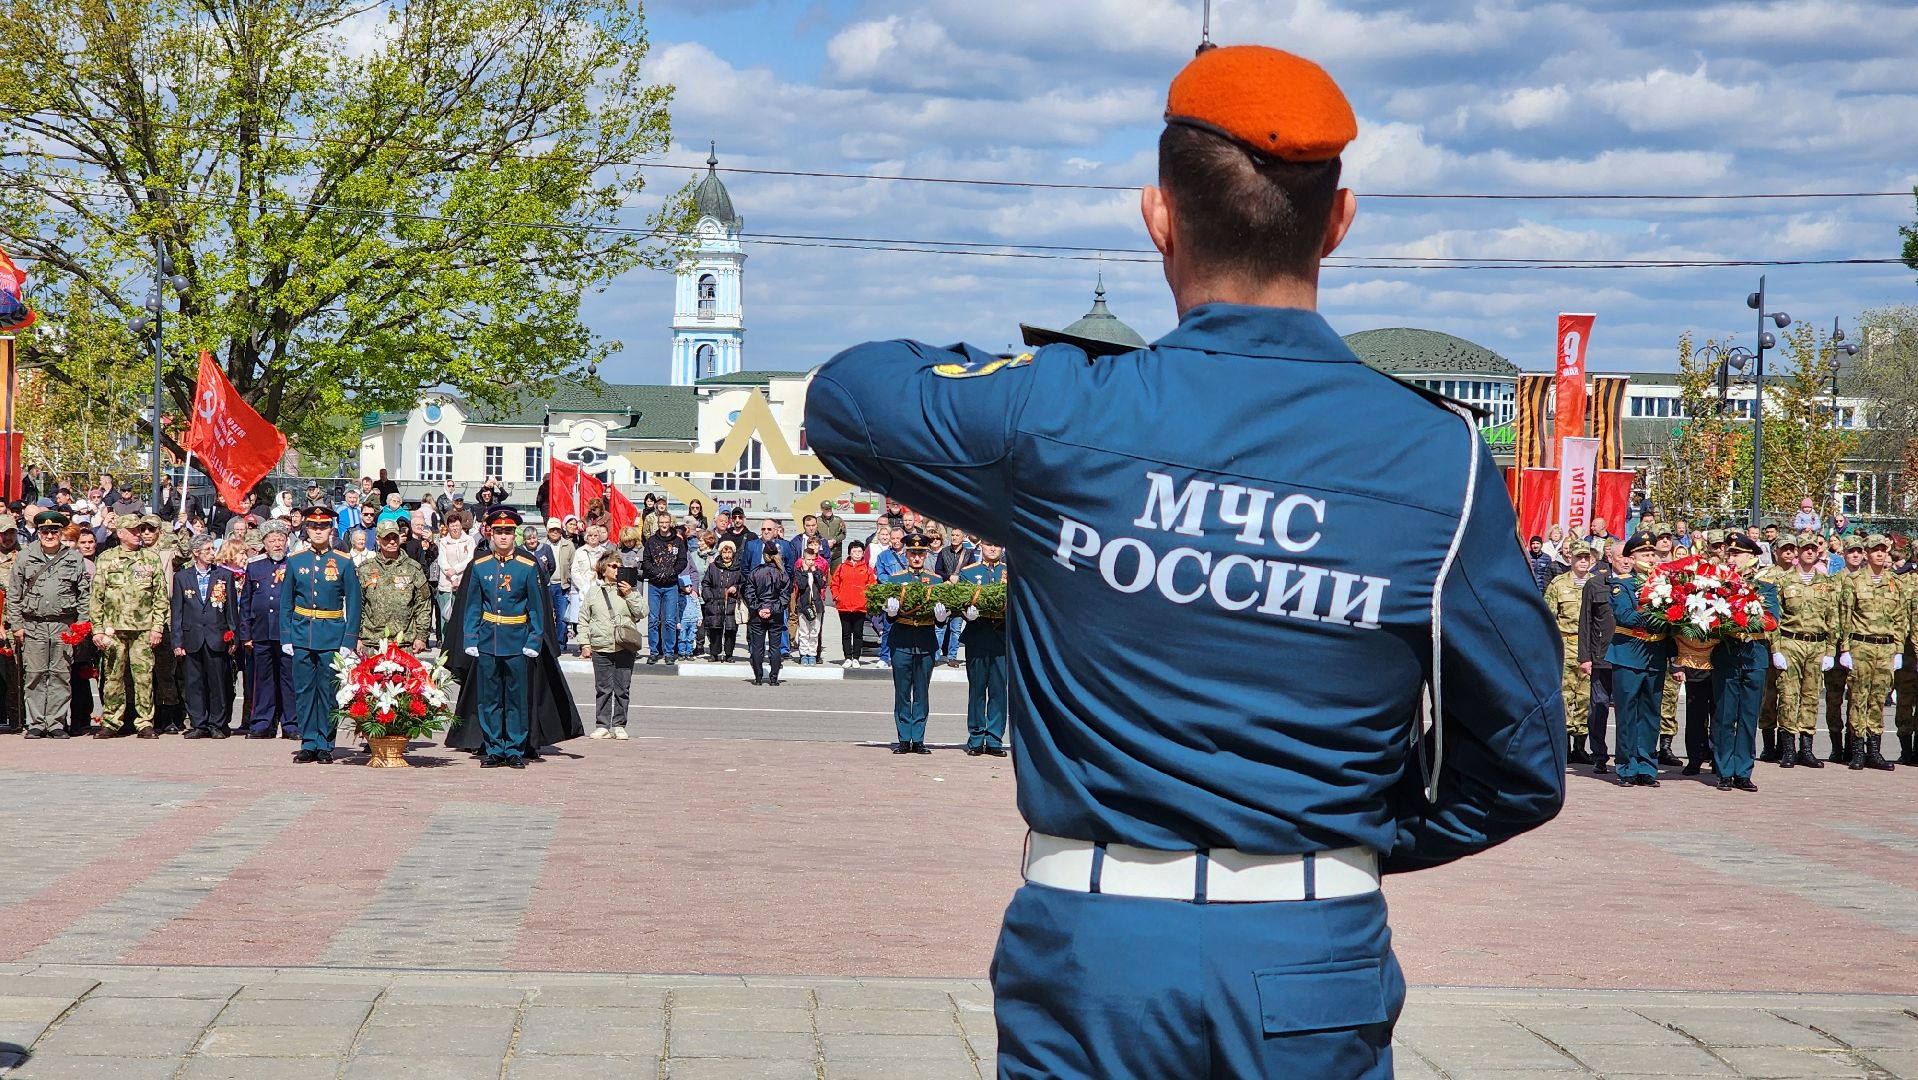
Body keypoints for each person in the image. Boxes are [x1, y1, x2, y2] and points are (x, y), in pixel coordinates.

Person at [806, 43, 1562, 1076]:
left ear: (1157, 216)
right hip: (1310, 949)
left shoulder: (1059, 413)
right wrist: (1343, 839)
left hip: (1095, 948)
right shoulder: (1436, 459)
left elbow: (847, 395)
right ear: (1338, 222)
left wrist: (1045, 382)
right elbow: (1515, 761)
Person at [459, 507, 547, 768]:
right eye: (499, 532)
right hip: (488, 640)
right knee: (490, 699)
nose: (504, 537)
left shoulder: (528, 567)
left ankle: (515, 748)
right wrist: (470, 638)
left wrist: (534, 640)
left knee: (516, 699)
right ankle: (494, 747)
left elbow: (535, 608)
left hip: (516, 640)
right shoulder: (480, 566)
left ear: (515, 534)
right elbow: (473, 605)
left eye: (508, 532)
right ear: (491, 534)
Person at [279, 506, 362, 764]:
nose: (318, 531)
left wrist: (349, 639)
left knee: (328, 691)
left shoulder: (343, 562)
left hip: (331, 635)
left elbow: (355, 603)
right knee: (304, 691)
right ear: (306, 529)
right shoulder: (296, 561)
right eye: (313, 526)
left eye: (323, 526)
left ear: (330, 530)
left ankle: (326, 743)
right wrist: (286, 636)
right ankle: (308, 741)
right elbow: (286, 602)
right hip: (303, 633)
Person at [12, 509, 90, 739]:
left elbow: (83, 595)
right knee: (34, 674)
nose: (49, 535)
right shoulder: (25, 557)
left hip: (63, 626)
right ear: (38, 532)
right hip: (33, 624)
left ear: (60, 532)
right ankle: (36, 722)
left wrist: (82, 624)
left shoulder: (73, 558)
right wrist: (17, 625)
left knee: (60, 674)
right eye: (45, 530)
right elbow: (14, 594)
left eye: (54, 531)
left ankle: (56, 722)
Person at [88, 515, 168, 738]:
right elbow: (97, 598)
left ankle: (144, 723)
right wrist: (98, 629)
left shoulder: (150, 559)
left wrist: (157, 627)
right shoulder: (106, 559)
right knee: (113, 678)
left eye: (140, 530)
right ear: (120, 533)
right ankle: (111, 722)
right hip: (114, 629)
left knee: (144, 678)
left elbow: (160, 597)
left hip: (143, 629)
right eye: (132, 530)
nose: (138, 533)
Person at [1709, 533, 1779, 790]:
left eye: (1736, 554)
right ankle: (1725, 770)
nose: (1731, 558)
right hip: (1727, 655)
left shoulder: (1766, 587)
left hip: (1754, 656)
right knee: (1726, 716)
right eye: (1729, 554)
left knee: (1748, 717)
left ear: (1751, 558)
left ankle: (1743, 771)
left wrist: (1747, 614)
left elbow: (1772, 621)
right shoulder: (1718, 586)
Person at [1836, 534, 1908, 770]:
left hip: (1886, 647)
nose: (1879, 554)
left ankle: (1874, 750)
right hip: (1861, 645)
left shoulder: (1895, 582)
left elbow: (1900, 618)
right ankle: (1857, 750)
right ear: (1866, 554)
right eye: (1874, 550)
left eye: (1882, 550)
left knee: (1878, 699)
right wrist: (1844, 648)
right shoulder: (1854, 580)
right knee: (1858, 697)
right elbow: (1844, 617)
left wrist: (1898, 650)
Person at [877, 531, 942, 754]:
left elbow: (941, 613)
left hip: (925, 641)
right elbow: (887, 614)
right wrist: (891, 612)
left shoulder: (936, 580)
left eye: (920, 554)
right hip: (902, 640)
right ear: (906, 554)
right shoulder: (895, 580)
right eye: (913, 553)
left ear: (925, 555)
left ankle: (919, 739)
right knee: (903, 692)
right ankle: (904, 738)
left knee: (922, 693)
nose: (916, 557)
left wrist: (942, 617)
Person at [171, 532, 240, 739]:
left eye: (213, 549)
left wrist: (233, 635)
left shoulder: (224, 575)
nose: (212, 553)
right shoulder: (182, 577)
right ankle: (198, 723)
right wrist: (177, 640)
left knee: (217, 682)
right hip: (192, 637)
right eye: (208, 550)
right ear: (196, 553)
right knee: (194, 683)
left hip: (217, 636)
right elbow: (177, 611)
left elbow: (231, 610)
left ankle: (216, 723)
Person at [240, 522, 296, 739]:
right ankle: (262, 723)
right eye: (272, 540)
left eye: (280, 539)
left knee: (289, 680)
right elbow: (246, 602)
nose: (277, 544)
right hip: (261, 632)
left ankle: (291, 724)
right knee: (262, 681)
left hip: (286, 634)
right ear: (264, 543)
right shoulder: (255, 566)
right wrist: (246, 634)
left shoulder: (293, 564)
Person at [579, 552, 645, 739]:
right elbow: (584, 619)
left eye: (619, 567)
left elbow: (642, 612)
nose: (617, 570)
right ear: (604, 569)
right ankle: (602, 725)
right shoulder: (594, 592)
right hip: (601, 645)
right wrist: (584, 643)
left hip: (624, 645)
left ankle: (619, 724)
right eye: (613, 567)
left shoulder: (630, 590)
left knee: (622, 688)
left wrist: (630, 594)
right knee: (603, 688)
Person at [1544, 540, 1597, 765]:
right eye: (1578, 558)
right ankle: (1562, 745)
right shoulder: (1558, 584)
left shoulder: (1598, 583)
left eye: (1586, 558)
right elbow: (1548, 617)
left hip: (1589, 648)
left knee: (1586, 697)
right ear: (1570, 559)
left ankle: (1580, 747)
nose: (1582, 561)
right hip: (1565, 645)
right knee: (1564, 697)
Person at [956, 539, 1008, 756]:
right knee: (977, 689)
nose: (993, 548)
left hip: (1003, 637)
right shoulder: (969, 572)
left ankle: (994, 738)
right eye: (988, 544)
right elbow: (959, 600)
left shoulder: (1010, 572)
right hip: (978, 634)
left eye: (997, 544)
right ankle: (976, 737)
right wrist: (965, 613)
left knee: (998, 690)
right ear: (981, 547)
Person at [358, 520, 433, 653]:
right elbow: (358, 605)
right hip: (372, 643)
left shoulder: (413, 568)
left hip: (404, 644)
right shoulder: (365, 569)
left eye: (395, 537)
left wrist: (421, 636)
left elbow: (423, 604)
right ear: (378, 539)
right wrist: (356, 636)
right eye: (387, 538)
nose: (392, 542)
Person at [1824, 536, 1868, 760]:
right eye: (1851, 552)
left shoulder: (1868, 581)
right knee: (1834, 698)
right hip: (1837, 648)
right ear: (1844, 555)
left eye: (1859, 552)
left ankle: (1853, 744)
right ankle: (1836, 746)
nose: (1855, 555)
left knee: (1857, 697)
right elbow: (1830, 616)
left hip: (1858, 648)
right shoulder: (1833, 581)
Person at [641, 514, 687, 664]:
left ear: (671, 523)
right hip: (654, 585)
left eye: (667, 522)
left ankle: (668, 652)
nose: (664, 525)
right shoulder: (651, 541)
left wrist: (671, 572)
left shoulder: (678, 542)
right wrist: (656, 572)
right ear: (658, 523)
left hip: (671, 585)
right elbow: (646, 562)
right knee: (653, 620)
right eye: (661, 522)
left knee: (669, 620)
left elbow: (682, 561)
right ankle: (654, 651)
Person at [743, 541, 789, 686]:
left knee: (757, 647)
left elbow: (749, 593)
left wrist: (759, 608)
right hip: (775, 615)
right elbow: (785, 596)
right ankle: (774, 678)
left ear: (764, 556)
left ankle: (758, 677)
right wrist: (771, 609)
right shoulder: (782, 573)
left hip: (759, 615)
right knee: (775, 647)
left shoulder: (755, 572)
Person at [829, 540, 876, 666]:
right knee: (846, 633)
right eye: (854, 551)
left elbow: (872, 586)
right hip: (844, 606)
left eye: (859, 551)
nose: (857, 554)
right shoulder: (842, 567)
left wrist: (867, 600)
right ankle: (847, 657)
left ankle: (856, 657)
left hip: (860, 606)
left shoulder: (867, 568)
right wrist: (837, 597)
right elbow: (834, 584)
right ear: (849, 552)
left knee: (858, 633)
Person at [700, 540, 744, 662]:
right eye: (724, 552)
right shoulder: (713, 566)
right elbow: (705, 583)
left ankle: (729, 654)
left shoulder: (737, 567)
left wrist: (736, 588)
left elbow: (743, 583)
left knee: (730, 630)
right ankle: (714, 653)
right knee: (715, 629)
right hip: (715, 602)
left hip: (731, 603)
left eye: (729, 552)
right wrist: (709, 597)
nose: (727, 555)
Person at [790, 538, 828, 665]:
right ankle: (803, 653)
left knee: (814, 631)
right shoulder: (799, 571)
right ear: (804, 559)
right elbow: (800, 585)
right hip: (803, 604)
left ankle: (812, 654)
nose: (811, 562)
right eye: (808, 560)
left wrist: (815, 572)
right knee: (804, 631)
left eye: (813, 560)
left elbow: (822, 584)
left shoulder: (818, 571)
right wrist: (806, 571)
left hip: (816, 605)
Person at [816, 499, 846, 567]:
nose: (828, 510)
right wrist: (825, 542)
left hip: (836, 554)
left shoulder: (839, 520)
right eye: (826, 509)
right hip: (822, 554)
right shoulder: (817, 521)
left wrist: (834, 540)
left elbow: (843, 534)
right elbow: (815, 535)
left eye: (830, 508)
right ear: (822, 509)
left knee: (836, 574)